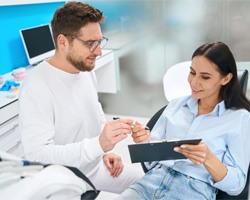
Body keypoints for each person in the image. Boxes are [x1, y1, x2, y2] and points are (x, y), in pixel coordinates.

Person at [18, 1, 146, 195]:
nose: (99, 51)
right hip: (62, 179)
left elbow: (95, 112)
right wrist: (98, 145)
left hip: (95, 169)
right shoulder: (36, 86)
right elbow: (38, 155)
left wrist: (106, 150)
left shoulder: (84, 70)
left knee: (153, 185)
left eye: (100, 42)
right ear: (62, 42)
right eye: (90, 44)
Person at [117, 42, 250, 200]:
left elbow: (237, 186)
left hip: (192, 191)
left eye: (205, 77)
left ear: (226, 78)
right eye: (192, 73)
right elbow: (151, 164)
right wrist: (145, 143)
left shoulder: (239, 118)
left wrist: (208, 158)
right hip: (150, 183)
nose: (194, 82)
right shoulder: (176, 105)